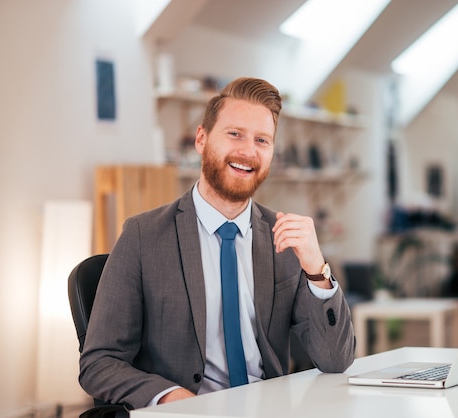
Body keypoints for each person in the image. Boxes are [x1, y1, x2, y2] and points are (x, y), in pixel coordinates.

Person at [79, 77, 356, 410]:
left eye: (262, 140)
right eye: (234, 134)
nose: (248, 151)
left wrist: (316, 269)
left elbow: (336, 360)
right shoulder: (143, 236)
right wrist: (169, 397)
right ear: (201, 138)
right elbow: (99, 363)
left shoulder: (282, 239)